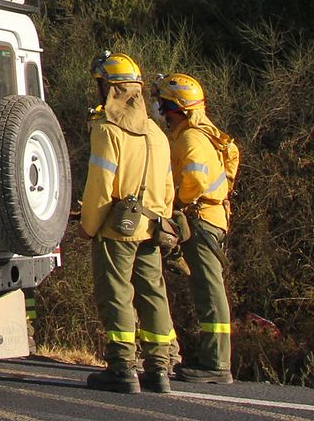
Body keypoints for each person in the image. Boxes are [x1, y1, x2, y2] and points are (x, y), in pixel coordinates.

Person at [80, 51, 177, 394]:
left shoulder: (108, 130)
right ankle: (159, 370)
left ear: (109, 88)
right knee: (153, 294)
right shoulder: (157, 133)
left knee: (117, 294)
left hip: (117, 229)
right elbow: (168, 188)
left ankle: (122, 368)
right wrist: (160, 220)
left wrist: (89, 226)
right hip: (153, 227)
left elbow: (100, 186)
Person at [155, 72, 238, 384]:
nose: (162, 112)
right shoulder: (200, 134)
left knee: (209, 290)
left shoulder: (191, 137)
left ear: (178, 108)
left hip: (202, 221)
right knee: (206, 288)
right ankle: (213, 360)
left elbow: (195, 180)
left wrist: (178, 202)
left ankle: (216, 364)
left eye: (165, 105)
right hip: (208, 219)